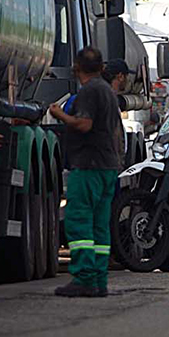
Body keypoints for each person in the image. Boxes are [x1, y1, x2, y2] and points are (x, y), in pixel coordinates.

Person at [49, 47, 121, 297]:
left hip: (89, 166)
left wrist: (60, 115)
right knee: (100, 226)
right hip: (107, 167)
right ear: (102, 68)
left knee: (79, 221)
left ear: (76, 68)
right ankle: (99, 280)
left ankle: (84, 278)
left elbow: (84, 124)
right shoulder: (108, 91)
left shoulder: (89, 91)